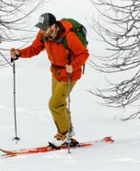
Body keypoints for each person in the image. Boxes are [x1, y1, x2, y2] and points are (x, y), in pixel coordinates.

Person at [9, 12, 89, 148]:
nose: (42, 31)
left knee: (55, 104)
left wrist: (73, 66)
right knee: (59, 104)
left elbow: (83, 54)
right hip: (56, 72)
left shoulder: (69, 36)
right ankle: (66, 132)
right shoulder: (43, 35)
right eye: (41, 28)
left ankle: (64, 133)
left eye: (45, 28)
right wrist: (19, 53)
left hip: (69, 74)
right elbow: (34, 49)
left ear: (54, 26)